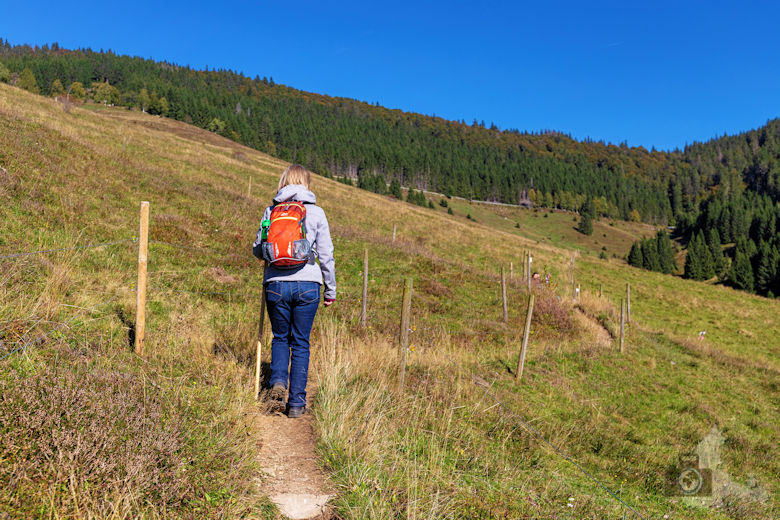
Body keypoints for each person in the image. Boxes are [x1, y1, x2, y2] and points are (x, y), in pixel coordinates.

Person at [252, 164, 336, 418]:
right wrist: (330, 290)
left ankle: (277, 383)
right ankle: (297, 405)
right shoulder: (317, 213)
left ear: (284, 182)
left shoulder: (271, 211)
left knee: (280, 338)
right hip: (309, 284)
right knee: (300, 343)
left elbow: (258, 249)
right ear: (307, 184)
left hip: (275, 284)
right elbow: (326, 255)